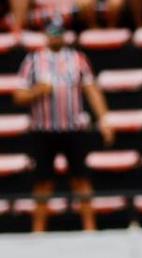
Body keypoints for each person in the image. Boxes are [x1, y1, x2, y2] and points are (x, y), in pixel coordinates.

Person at [13, 20, 113, 234]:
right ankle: (38, 231)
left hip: (73, 129)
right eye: (52, 33)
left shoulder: (77, 59)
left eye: (59, 33)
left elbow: (91, 89)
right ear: (46, 36)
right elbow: (19, 95)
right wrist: (37, 92)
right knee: (42, 183)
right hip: (44, 130)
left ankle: (90, 229)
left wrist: (104, 119)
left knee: (81, 180)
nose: (56, 37)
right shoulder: (33, 61)